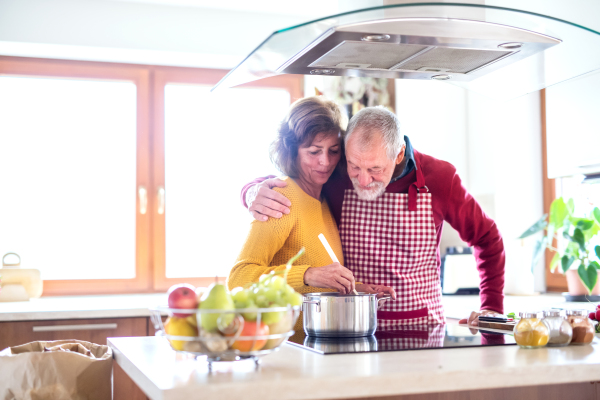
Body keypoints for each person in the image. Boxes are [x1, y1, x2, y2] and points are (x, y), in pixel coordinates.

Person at [242, 106, 505, 328]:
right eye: (355, 167)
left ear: (399, 154)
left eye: (375, 169)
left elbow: (488, 238)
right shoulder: (337, 169)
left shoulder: (440, 178)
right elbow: (295, 179)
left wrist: (491, 306)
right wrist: (251, 190)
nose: (364, 180)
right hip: (349, 329)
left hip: (422, 330)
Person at [228, 97, 396, 321]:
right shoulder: (282, 197)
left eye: (334, 151)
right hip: (286, 345)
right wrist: (307, 274)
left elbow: (316, 284)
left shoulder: (324, 201)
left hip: (317, 345)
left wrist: (360, 288)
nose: (325, 162)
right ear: (292, 151)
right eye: (314, 152)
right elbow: (239, 279)